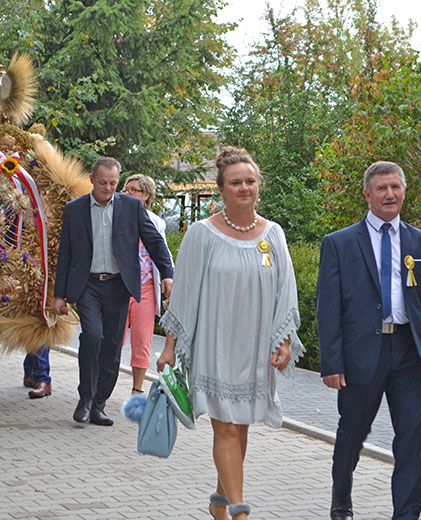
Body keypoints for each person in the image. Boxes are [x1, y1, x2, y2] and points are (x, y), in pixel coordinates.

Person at [157, 147, 303, 520]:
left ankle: (219, 503)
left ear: (259, 186)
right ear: (220, 189)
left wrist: (283, 341)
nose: (244, 188)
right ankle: (240, 514)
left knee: (240, 430)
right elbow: (185, 292)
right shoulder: (202, 235)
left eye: (250, 181)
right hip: (215, 344)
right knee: (224, 428)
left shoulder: (274, 234)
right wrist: (171, 346)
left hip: (256, 347)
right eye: (235, 182)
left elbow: (286, 291)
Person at [316, 161, 421, 520]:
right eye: (382, 188)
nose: (390, 194)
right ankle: (341, 499)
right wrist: (332, 362)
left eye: (396, 187)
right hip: (361, 356)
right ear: (367, 194)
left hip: (409, 355)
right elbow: (327, 308)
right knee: (351, 435)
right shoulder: (339, 243)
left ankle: (406, 515)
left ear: (404, 190)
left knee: (410, 441)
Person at [53, 156, 173, 427]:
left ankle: (98, 404)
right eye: (103, 182)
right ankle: (85, 398)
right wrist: (59, 294)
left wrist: (167, 273)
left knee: (111, 348)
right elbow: (66, 254)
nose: (108, 188)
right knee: (93, 337)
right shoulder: (75, 209)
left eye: (113, 183)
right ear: (92, 180)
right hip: (88, 285)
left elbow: (154, 240)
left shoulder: (131, 207)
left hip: (119, 285)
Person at [120, 174, 172, 394]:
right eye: (126, 189)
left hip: (145, 287)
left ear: (146, 196)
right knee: (113, 339)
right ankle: (102, 387)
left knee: (142, 339)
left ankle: (137, 389)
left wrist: (168, 279)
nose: (128, 193)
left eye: (134, 190)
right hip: (119, 287)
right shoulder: (117, 217)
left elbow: (162, 252)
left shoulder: (156, 222)